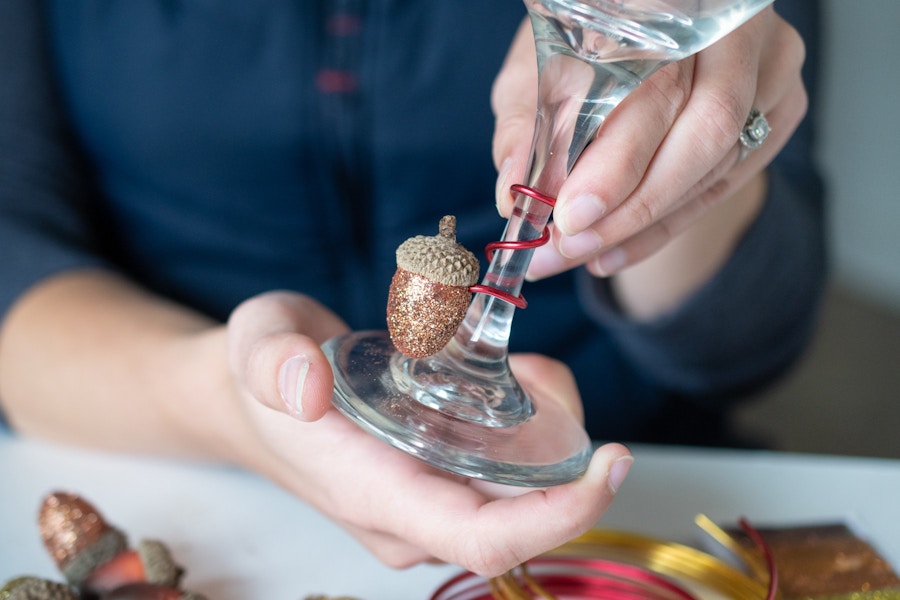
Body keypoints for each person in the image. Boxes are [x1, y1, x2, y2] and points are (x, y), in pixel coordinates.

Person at [0, 0, 824, 580]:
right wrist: (231, 398)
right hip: (179, 490)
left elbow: (749, 344)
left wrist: (685, 140)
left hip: (642, 504)